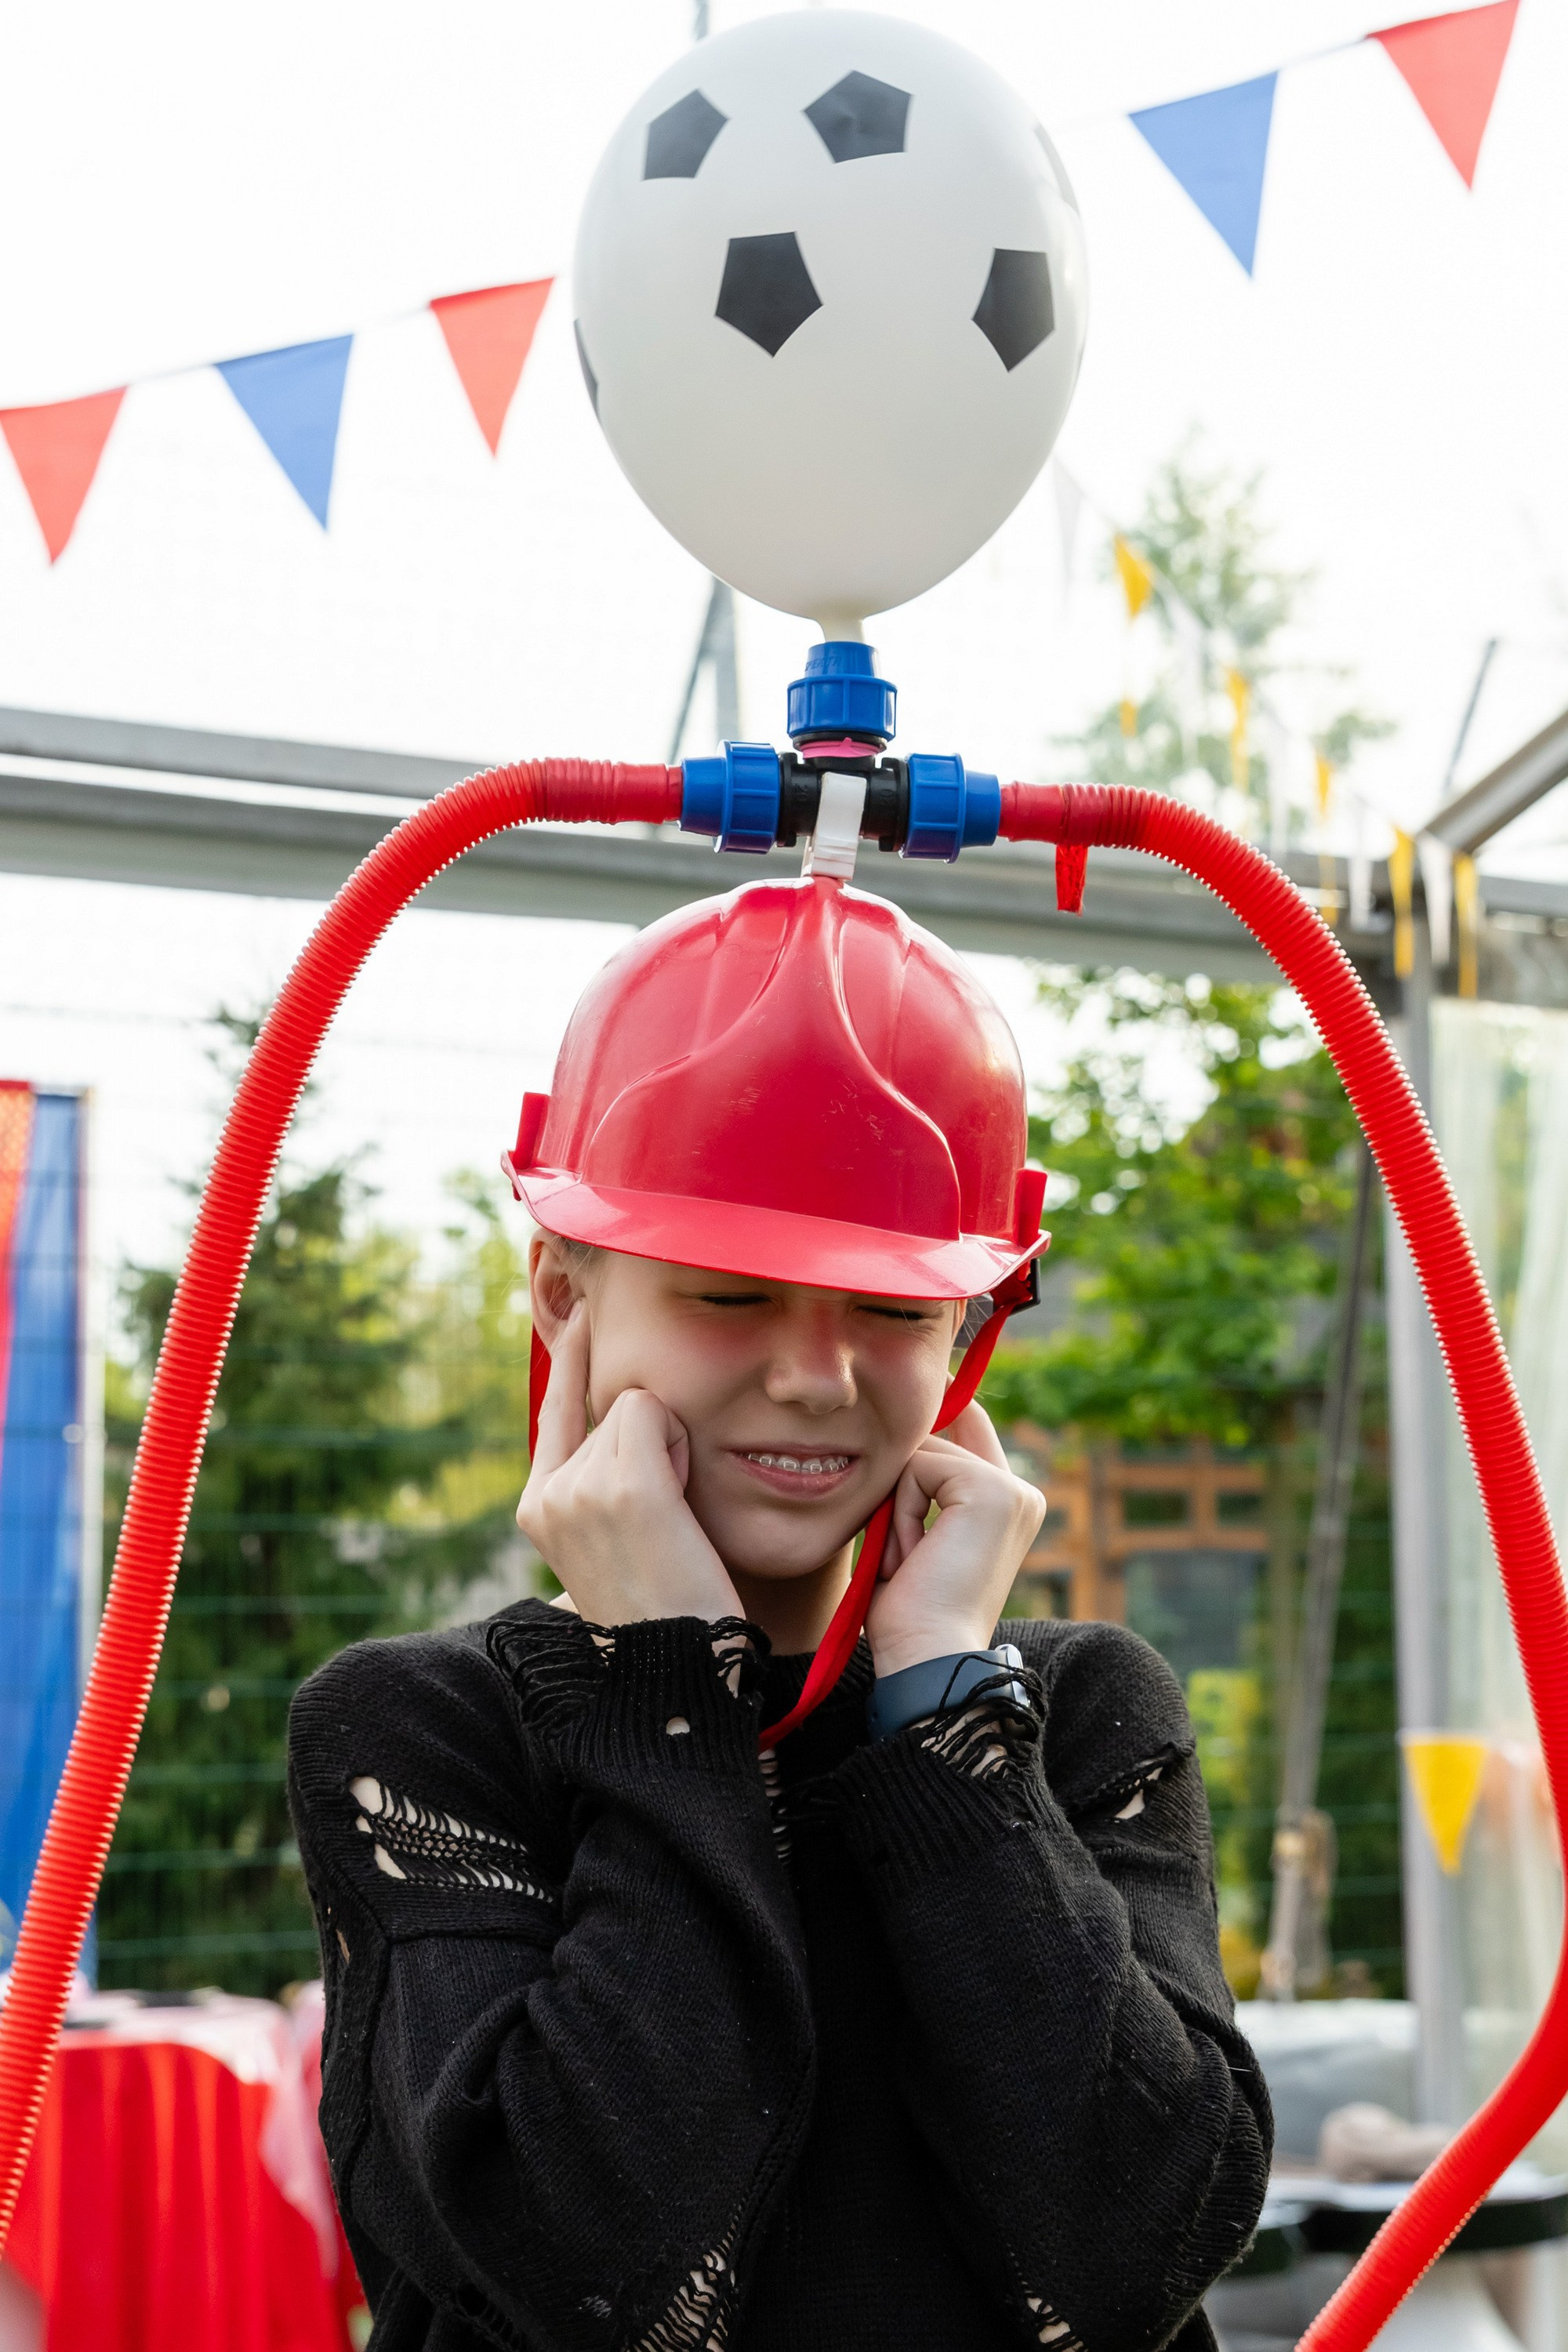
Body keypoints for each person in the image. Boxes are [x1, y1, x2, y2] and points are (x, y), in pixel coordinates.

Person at [289, 876, 1271, 2352]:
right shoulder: (423, 1730)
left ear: (967, 1331)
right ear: (561, 1293)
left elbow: (1137, 2247)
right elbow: (586, 2265)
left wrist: (942, 1706)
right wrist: (670, 1689)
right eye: (732, 1296)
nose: (820, 1377)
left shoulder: (1075, 1713)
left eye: (895, 1311)